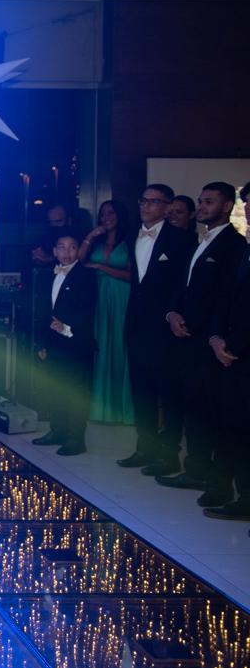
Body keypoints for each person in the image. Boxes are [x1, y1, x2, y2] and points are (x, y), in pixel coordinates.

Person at [157, 184, 243, 501]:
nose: (202, 206)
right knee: (195, 408)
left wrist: (191, 322)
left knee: (214, 413)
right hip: (185, 337)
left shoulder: (234, 244)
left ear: (227, 206)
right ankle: (195, 469)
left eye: (209, 202)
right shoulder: (199, 240)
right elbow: (184, 284)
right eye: (201, 201)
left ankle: (215, 478)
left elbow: (222, 295)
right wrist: (171, 313)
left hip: (208, 339)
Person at [118, 183, 192, 473]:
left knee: (170, 391)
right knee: (142, 391)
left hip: (164, 327)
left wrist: (174, 314)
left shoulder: (182, 239)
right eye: (143, 200)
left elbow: (181, 284)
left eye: (152, 202)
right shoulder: (132, 234)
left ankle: (169, 452)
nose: (145, 206)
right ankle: (144, 447)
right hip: (136, 324)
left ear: (167, 206)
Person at [205, 181, 250, 521]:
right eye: (247, 204)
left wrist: (231, 344)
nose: (248, 210)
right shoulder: (245, 248)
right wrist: (217, 337)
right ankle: (244, 497)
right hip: (231, 352)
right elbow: (224, 296)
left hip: (242, 350)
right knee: (235, 428)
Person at [32, 231, 97, 456]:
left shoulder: (87, 275)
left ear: (78, 250)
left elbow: (88, 310)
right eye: (61, 247)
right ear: (54, 250)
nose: (66, 252)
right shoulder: (47, 275)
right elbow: (43, 313)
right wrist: (42, 343)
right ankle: (57, 431)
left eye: (71, 247)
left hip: (77, 342)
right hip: (53, 343)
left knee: (76, 392)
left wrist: (67, 327)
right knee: (55, 389)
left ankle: (76, 438)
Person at [80, 200, 134, 424]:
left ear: (120, 215)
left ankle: (125, 411)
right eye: (102, 214)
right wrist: (91, 236)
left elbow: (133, 276)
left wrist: (101, 267)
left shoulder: (131, 240)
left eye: (111, 213)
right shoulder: (97, 241)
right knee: (101, 349)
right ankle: (101, 411)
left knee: (121, 350)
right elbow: (79, 261)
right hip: (99, 300)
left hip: (123, 298)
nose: (106, 217)